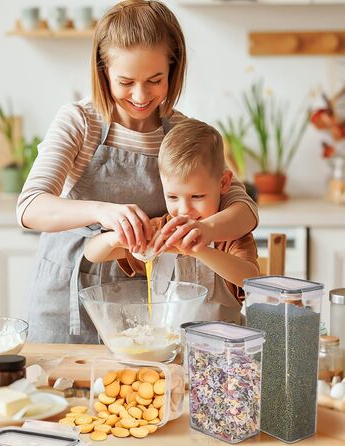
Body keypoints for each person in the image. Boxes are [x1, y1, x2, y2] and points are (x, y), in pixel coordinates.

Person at [17, 0, 258, 343]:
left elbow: (244, 210)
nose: (141, 95)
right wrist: (104, 212)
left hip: (143, 309)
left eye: (155, 80)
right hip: (63, 299)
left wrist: (204, 230)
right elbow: (29, 207)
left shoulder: (180, 133)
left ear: (173, 69)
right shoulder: (79, 123)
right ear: (103, 71)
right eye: (126, 81)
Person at [85, 119, 260, 323]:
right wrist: (115, 238)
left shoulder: (230, 235)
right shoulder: (159, 229)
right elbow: (92, 254)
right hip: (166, 349)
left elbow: (251, 279)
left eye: (197, 197)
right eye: (173, 197)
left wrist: (197, 249)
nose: (184, 210)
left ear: (223, 183)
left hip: (222, 350)